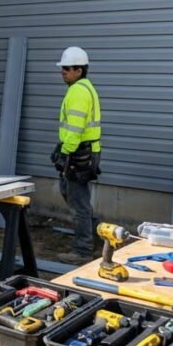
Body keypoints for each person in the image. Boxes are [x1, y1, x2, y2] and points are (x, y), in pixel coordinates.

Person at [52, 46, 102, 265]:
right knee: (70, 192)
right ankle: (97, 237)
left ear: (79, 70)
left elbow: (75, 128)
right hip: (83, 151)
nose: (63, 72)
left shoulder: (78, 92)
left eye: (67, 68)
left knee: (79, 202)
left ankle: (83, 250)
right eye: (62, 68)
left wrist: (65, 152)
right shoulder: (83, 88)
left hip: (78, 152)